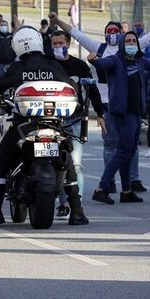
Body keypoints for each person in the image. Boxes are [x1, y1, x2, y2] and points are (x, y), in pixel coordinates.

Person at [0, 26, 88, 225]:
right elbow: (72, 88)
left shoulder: (17, 68)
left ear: (16, 46)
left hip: (24, 126)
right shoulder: (53, 65)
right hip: (54, 125)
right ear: (39, 43)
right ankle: (76, 210)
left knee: (1, 162)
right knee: (67, 164)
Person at [52, 13, 150, 194]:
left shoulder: (134, 53)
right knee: (111, 145)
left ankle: (132, 180)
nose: (113, 34)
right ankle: (109, 183)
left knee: (130, 146)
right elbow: (76, 34)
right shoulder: (101, 50)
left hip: (129, 105)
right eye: (109, 31)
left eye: (116, 31)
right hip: (109, 106)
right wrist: (57, 21)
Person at [88, 20, 150, 205]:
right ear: (123, 44)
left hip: (135, 112)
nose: (132, 44)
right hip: (121, 113)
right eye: (129, 41)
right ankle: (101, 188)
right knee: (124, 150)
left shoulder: (139, 60)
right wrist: (93, 59)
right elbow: (101, 64)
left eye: (134, 41)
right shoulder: (116, 60)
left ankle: (126, 191)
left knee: (129, 151)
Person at [50, 30, 102, 218]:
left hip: (75, 119)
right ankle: (63, 202)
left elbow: (92, 89)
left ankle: (76, 202)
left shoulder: (79, 65)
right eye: (54, 44)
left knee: (76, 164)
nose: (57, 47)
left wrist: (101, 114)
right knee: (57, 164)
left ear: (68, 44)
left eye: (60, 43)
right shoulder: (47, 64)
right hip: (52, 121)